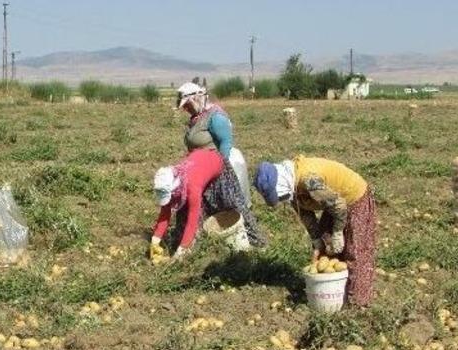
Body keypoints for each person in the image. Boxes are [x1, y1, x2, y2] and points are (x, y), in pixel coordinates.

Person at [254, 155, 377, 306]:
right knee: (326, 245)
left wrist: (338, 232)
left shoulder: (310, 181)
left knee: (355, 251)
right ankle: (334, 294)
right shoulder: (291, 185)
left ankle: (358, 303)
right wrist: (316, 238)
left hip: (353, 197)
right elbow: (304, 213)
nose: (282, 199)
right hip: (333, 204)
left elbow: (338, 205)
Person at [174, 81, 265, 248]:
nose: (185, 108)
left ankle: (252, 242)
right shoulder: (197, 117)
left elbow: (226, 143)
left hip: (221, 167)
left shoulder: (215, 117)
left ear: (196, 99)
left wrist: (218, 170)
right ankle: (197, 242)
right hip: (202, 169)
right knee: (197, 205)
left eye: (187, 104)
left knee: (232, 205)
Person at [151, 149, 225, 261]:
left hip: (216, 163)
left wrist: (182, 249)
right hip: (198, 159)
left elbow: (192, 221)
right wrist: (155, 240)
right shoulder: (170, 182)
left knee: (215, 208)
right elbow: (165, 212)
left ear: (175, 190)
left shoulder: (192, 188)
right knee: (183, 218)